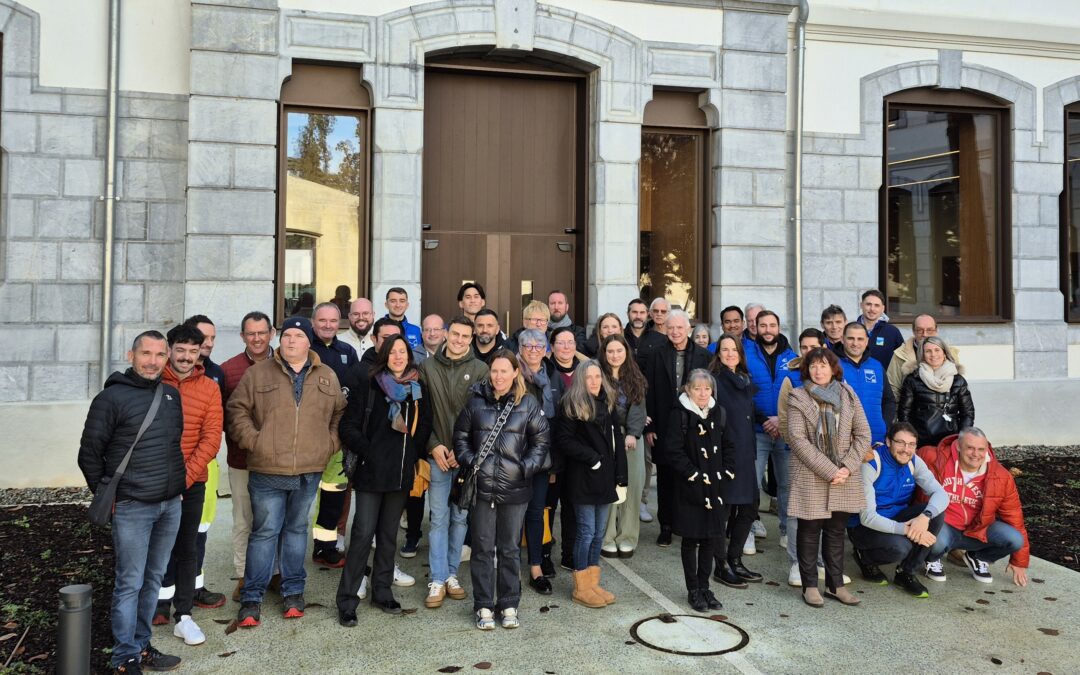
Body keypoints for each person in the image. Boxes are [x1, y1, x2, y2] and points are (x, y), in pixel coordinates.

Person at [227, 317, 346, 628]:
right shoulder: (258, 373)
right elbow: (237, 410)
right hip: (267, 469)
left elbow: (339, 413)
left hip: (309, 470)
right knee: (265, 532)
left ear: (309, 341)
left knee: (296, 530)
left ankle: (293, 591)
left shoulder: (327, 375)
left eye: (298, 336)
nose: (292, 340)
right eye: (287, 335)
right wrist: (255, 441)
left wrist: (329, 444)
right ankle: (252, 597)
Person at [78, 331, 185, 674]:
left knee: (153, 580)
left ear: (166, 358)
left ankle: (141, 645)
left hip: (170, 505)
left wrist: (177, 488)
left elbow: (172, 445)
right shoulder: (110, 399)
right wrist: (111, 496)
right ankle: (124, 657)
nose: (152, 361)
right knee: (130, 583)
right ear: (131, 355)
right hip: (133, 507)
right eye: (145, 353)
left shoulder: (171, 395)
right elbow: (89, 455)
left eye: (159, 355)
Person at [336, 335, 433, 625]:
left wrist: (412, 453)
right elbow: (347, 426)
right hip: (371, 472)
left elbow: (424, 426)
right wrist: (370, 452)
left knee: (389, 536)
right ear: (384, 356)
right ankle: (348, 599)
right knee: (363, 534)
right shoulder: (369, 385)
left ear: (409, 356)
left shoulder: (417, 388)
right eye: (393, 352)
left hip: (400, 473)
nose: (398, 357)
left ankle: (382, 591)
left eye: (403, 351)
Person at [455, 349, 552, 629]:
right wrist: (471, 461)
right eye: (494, 371)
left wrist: (524, 468)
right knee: (482, 548)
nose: (498, 376)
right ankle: (484, 605)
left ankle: (509, 603)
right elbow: (460, 436)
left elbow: (541, 440)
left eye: (504, 371)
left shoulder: (528, 403)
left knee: (509, 548)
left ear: (515, 373)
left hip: (515, 488)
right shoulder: (475, 401)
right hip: (482, 488)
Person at [153, 325, 223, 646]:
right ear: (169, 349)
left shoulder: (209, 387)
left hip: (192, 482)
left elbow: (211, 439)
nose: (186, 357)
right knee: (156, 546)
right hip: (155, 480)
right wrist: (164, 478)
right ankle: (157, 604)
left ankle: (184, 615)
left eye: (193, 351)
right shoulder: (153, 382)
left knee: (187, 546)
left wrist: (183, 479)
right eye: (180, 350)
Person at [786, 347, 869, 608]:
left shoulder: (848, 394)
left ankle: (835, 585)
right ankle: (810, 585)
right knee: (809, 531)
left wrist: (847, 467)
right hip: (811, 474)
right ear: (806, 370)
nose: (818, 370)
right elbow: (798, 440)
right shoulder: (797, 396)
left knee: (836, 532)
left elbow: (863, 434)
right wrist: (830, 470)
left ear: (833, 369)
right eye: (813, 366)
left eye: (823, 365)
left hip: (845, 475)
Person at [419, 316, 489, 610]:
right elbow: (422, 414)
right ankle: (436, 578)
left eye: (465, 336)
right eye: (455, 334)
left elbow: (482, 415)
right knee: (438, 518)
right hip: (437, 456)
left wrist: (462, 450)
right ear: (446, 334)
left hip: (465, 457)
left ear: (471, 339)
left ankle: (451, 574)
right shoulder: (426, 367)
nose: (459, 340)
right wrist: (434, 445)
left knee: (460, 517)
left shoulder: (480, 369)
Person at [661, 369, 736, 611]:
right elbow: (673, 450)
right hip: (690, 487)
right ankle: (693, 589)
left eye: (707, 388)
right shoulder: (680, 414)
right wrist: (692, 473)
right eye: (697, 388)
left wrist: (727, 471)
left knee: (711, 539)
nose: (703, 393)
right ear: (687, 390)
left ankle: (705, 587)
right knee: (691, 539)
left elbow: (729, 445)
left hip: (715, 487)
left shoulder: (719, 412)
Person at [555, 360, 628, 609]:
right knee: (586, 532)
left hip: (605, 478)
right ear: (580, 380)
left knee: (598, 533)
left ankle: (593, 582)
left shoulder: (607, 403)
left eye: (598, 376)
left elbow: (617, 441)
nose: (595, 381)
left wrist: (621, 475)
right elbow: (564, 440)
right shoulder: (571, 404)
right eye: (589, 377)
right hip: (583, 478)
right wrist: (592, 458)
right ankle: (581, 587)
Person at [919, 428, 1030, 587]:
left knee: (1015, 539)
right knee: (936, 541)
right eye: (970, 448)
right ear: (958, 446)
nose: (975, 454)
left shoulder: (1001, 476)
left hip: (977, 530)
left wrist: (1019, 561)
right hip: (943, 526)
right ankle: (932, 559)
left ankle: (979, 558)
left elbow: (1015, 517)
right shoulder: (932, 457)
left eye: (981, 449)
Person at [848, 422, 947, 597]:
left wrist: (924, 517)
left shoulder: (914, 461)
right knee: (901, 548)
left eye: (911, 444)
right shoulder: (871, 464)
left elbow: (941, 494)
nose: (906, 450)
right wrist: (908, 530)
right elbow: (867, 517)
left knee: (935, 513)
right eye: (900, 442)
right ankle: (865, 557)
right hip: (863, 527)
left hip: (896, 517)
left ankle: (906, 573)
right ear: (888, 441)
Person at [642, 309, 713, 546]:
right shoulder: (656, 354)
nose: (675, 332)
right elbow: (649, 390)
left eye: (679, 327)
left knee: (692, 477)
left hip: (694, 427)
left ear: (688, 329)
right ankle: (666, 526)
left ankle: (689, 525)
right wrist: (650, 426)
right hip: (664, 425)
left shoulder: (704, 356)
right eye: (670, 327)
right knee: (665, 479)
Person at [220, 311, 276, 601]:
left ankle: (275, 573)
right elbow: (222, 418)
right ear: (243, 336)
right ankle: (244, 575)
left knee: (274, 520)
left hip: (278, 462)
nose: (257, 338)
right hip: (241, 460)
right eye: (251, 333)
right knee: (244, 520)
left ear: (272, 333)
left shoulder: (286, 364)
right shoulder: (228, 370)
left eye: (261, 332)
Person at [178, 314, 227, 611]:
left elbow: (216, 427)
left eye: (212, 338)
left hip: (203, 467)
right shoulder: (167, 374)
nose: (207, 343)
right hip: (170, 466)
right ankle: (161, 599)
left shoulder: (216, 374)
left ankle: (194, 587)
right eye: (202, 337)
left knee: (199, 529)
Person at [309, 302, 364, 568]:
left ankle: (325, 546)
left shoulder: (347, 352)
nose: (328, 325)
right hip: (307, 435)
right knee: (301, 496)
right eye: (323, 320)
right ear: (313, 322)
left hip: (337, 436)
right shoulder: (304, 348)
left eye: (333, 320)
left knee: (333, 494)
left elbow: (356, 388)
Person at [709, 335, 763, 588]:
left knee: (750, 508)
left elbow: (748, 412)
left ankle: (735, 559)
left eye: (734, 350)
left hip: (746, 452)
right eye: (725, 349)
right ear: (718, 353)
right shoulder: (715, 381)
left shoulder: (744, 379)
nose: (730, 354)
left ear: (741, 354)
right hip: (726, 454)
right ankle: (720, 565)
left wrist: (768, 420)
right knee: (723, 512)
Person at [516, 329, 566, 593]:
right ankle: (510, 568)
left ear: (546, 349)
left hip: (542, 458)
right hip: (513, 457)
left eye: (539, 346)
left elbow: (558, 422)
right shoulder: (512, 373)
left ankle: (535, 568)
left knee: (536, 513)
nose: (533, 350)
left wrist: (554, 463)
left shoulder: (552, 375)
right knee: (512, 514)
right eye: (528, 345)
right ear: (520, 348)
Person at [744, 310, 796, 548]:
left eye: (772, 325)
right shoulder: (746, 355)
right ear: (756, 327)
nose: (767, 330)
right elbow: (743, 393)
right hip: (756, 429)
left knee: (786, 485)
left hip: (785, 432)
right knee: (751, 483)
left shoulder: (793, 357)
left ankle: (786, 531)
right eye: (762, 325)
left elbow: (797, 393)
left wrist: (781, 419)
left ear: (778, 327)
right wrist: (764, 418)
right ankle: (747, 531)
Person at [598, 333, 648, 559]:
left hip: (630, 439)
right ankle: (607, 537)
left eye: (619, 350)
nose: (615, 355)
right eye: (610, 351)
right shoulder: (597, 375)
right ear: (604, 353)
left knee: (633, 487)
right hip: (606, 436)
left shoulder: (636, 377)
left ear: (626, 352)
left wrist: (633, 433)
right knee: (609, 487)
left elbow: (639, 408)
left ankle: (627, 537)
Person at [548, 326, 586, 569]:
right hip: (552, 451)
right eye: (560, 342)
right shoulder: (545, 370)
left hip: (578, 451)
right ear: (552, 347)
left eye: (570, 342)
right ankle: (543, 554)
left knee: (572, 505)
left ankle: (569, 554)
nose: (566, 347)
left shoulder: (585, 371)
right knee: (548, 506)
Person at [897, 336, 974, 448]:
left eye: (937, 350)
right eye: (928, 351)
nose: (933, 354)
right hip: (921, 442)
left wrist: (961, 439)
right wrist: (913, 439)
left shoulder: (958, 380)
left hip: (951, 441)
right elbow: (904, 413)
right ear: (922, 355)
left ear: (944, 353)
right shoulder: (912, 380)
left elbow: (967, 413)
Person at [836, 322, 896, 447]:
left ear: (867, 341)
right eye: (851, 338)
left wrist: (885, 426)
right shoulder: (832, 365)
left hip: (876, 439)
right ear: (842, 339)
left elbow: (889, 400)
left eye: (860, 339)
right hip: (845, 440)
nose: (855, 343)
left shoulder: (877, 366)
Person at [885, 314, 957, 401]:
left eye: (929, 330)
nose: (925, 334)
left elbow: (958, 388)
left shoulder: (950, 353)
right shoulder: (900, 354)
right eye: (920, 330)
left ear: (936, 330)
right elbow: (893, 389)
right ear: (913, 331)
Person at [857, 289, 905, 368]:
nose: (872, 309)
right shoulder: (851, 330)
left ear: (882, 308)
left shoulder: (892, 332)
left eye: (876, 305)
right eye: (868, 304)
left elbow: (902, 361)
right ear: (861, 305)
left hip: (883, 376)